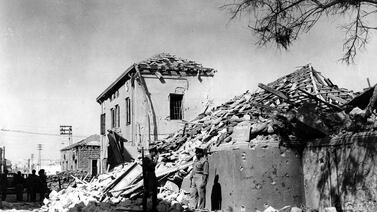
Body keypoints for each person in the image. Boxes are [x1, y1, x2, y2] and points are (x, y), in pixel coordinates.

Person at [142, 146, 159, 212]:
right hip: (148, 177)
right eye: (155, 152)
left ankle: (153, 207)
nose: (155, 154)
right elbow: (152, 166)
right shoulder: (147, 158)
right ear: (152, 152)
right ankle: (145, 207)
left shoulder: (150, 158)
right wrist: (156, 159)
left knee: (154, 191)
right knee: (147, 192)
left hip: (151, 176)